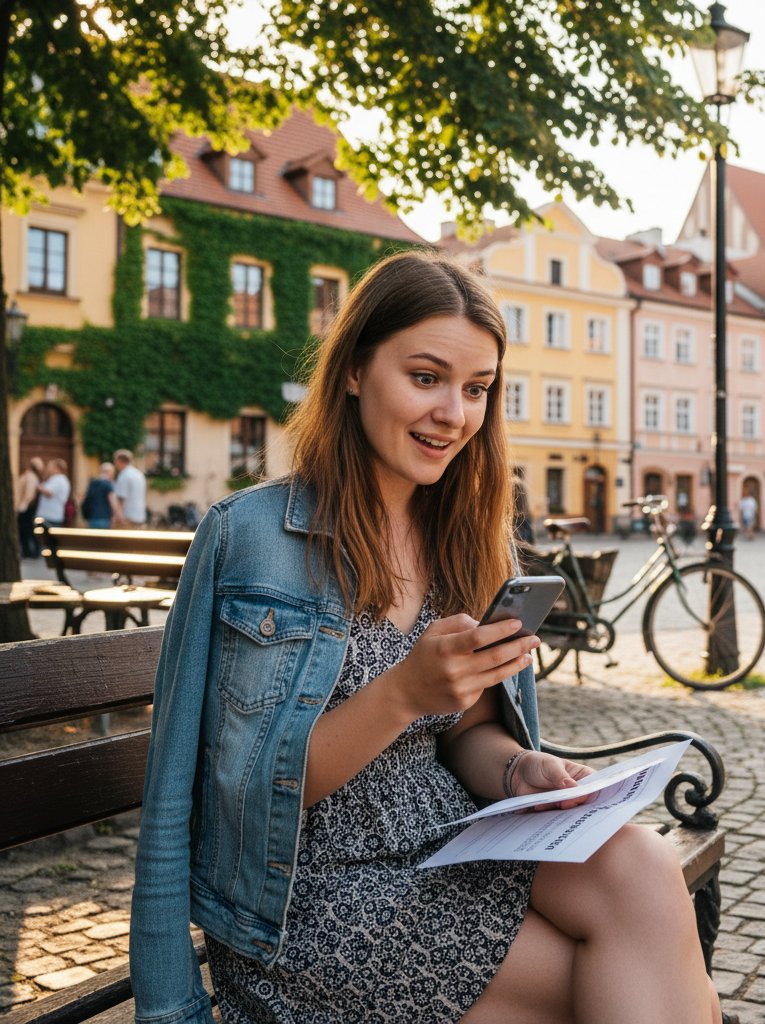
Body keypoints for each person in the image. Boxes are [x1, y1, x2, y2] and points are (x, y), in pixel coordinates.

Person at [129, 250, 722, 1024]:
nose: (455, 413)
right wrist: (402, 693)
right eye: (426, 377)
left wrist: (519, 770)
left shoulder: (468, 537)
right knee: (654, 987)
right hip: (311, 898)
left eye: (477, 389)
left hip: (451, 844)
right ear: (352, 370)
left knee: (642, 861)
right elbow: (223, 797)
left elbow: (465, 733)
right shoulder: (249, 538)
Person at [16, 456, 44, 557]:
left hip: (26, 508)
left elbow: (29, 494)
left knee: (26, 531)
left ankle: (31, 552)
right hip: (26, 507)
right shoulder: (31, 476)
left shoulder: (30, 477)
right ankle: (28, 551)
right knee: (26, 531)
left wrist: (23, 506)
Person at [112, 449, 147, 528]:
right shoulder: (139, 474)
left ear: (119, 461)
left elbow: (121, 498)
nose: (114, 463)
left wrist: (117, 516)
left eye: (115, 460)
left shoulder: (124, 475)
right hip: (140, 515)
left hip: (127, 516)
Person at [81, 462, 121, 529]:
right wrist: (119, 516)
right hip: (104, 518)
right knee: (103, 539)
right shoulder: (108, 484)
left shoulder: (93, 483)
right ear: (110, 472)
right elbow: (113, 501)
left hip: (91, 518)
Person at [35, 458, 71, 527]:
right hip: (52, 516)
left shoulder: (58, 479)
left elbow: (49, 492)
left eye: (50, 467)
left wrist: (38, 487)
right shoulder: (60, 479)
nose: (48, 469)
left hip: (49, 516)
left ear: (56, 468)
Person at [512, 472, 535, 544]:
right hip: (524, 516)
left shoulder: (511, 520)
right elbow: (531, 540)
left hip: (516, 518)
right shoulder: (527, 517)